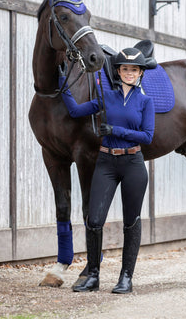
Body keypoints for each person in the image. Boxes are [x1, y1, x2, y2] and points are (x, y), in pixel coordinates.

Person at [58, 47, 155, 294]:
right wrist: (63, 83)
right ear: (119, 71)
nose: (130, 73)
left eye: (134, 69)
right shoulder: (106, 97)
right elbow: (75, 111)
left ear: (140, 73)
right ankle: (93, 276)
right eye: (125, 69)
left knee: (131, 222)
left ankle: (126, 277)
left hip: (133, 164)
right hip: (106, 163)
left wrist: (116, 131)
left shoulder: (145, 102)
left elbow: (147, 135)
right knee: (94, 219)